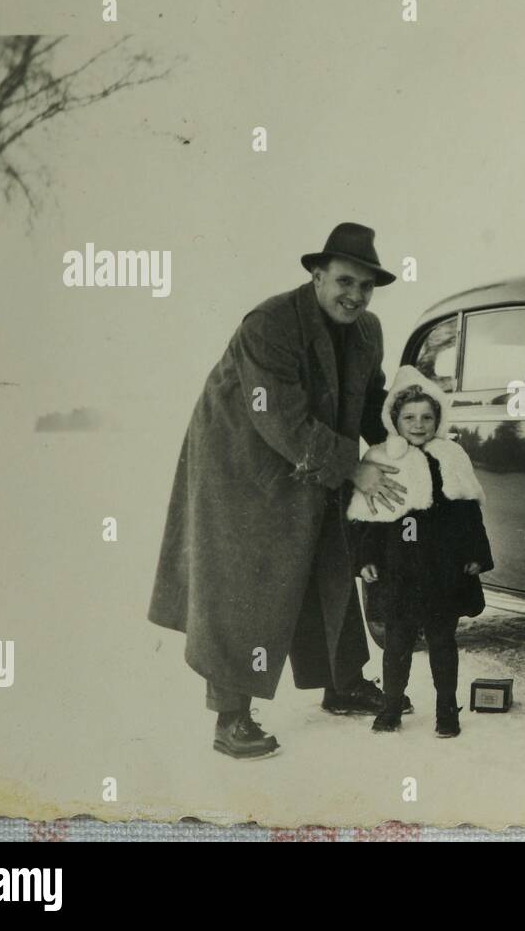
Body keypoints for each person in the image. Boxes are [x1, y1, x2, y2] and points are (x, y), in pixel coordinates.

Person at [148, 222, 410, 760]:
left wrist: (406, 441)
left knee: (331, 557)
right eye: (344, 281)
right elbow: (279, 418)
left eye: (365, 287)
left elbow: (369, 403)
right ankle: (231, 716)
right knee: (246, 579)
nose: (355, 296)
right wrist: (352, 467)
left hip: (314, 455)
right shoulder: (270, 324)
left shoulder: (368, 332)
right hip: (241, 463)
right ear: (317, 276)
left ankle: (342, 684)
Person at [347, 365, 494, 738]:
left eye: (427, 417)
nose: (418, 424)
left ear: (438, 419)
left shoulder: (452, 455)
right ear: (394, 419)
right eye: (409, 417)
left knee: (443, 639)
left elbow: (468, 513)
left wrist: (475, 553)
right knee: (397, 642)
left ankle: (447, 708)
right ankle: (391, 706)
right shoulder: (382, 457)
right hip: (397, 570)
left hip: (443, 569)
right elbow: (369, 517)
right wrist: (365, 559)